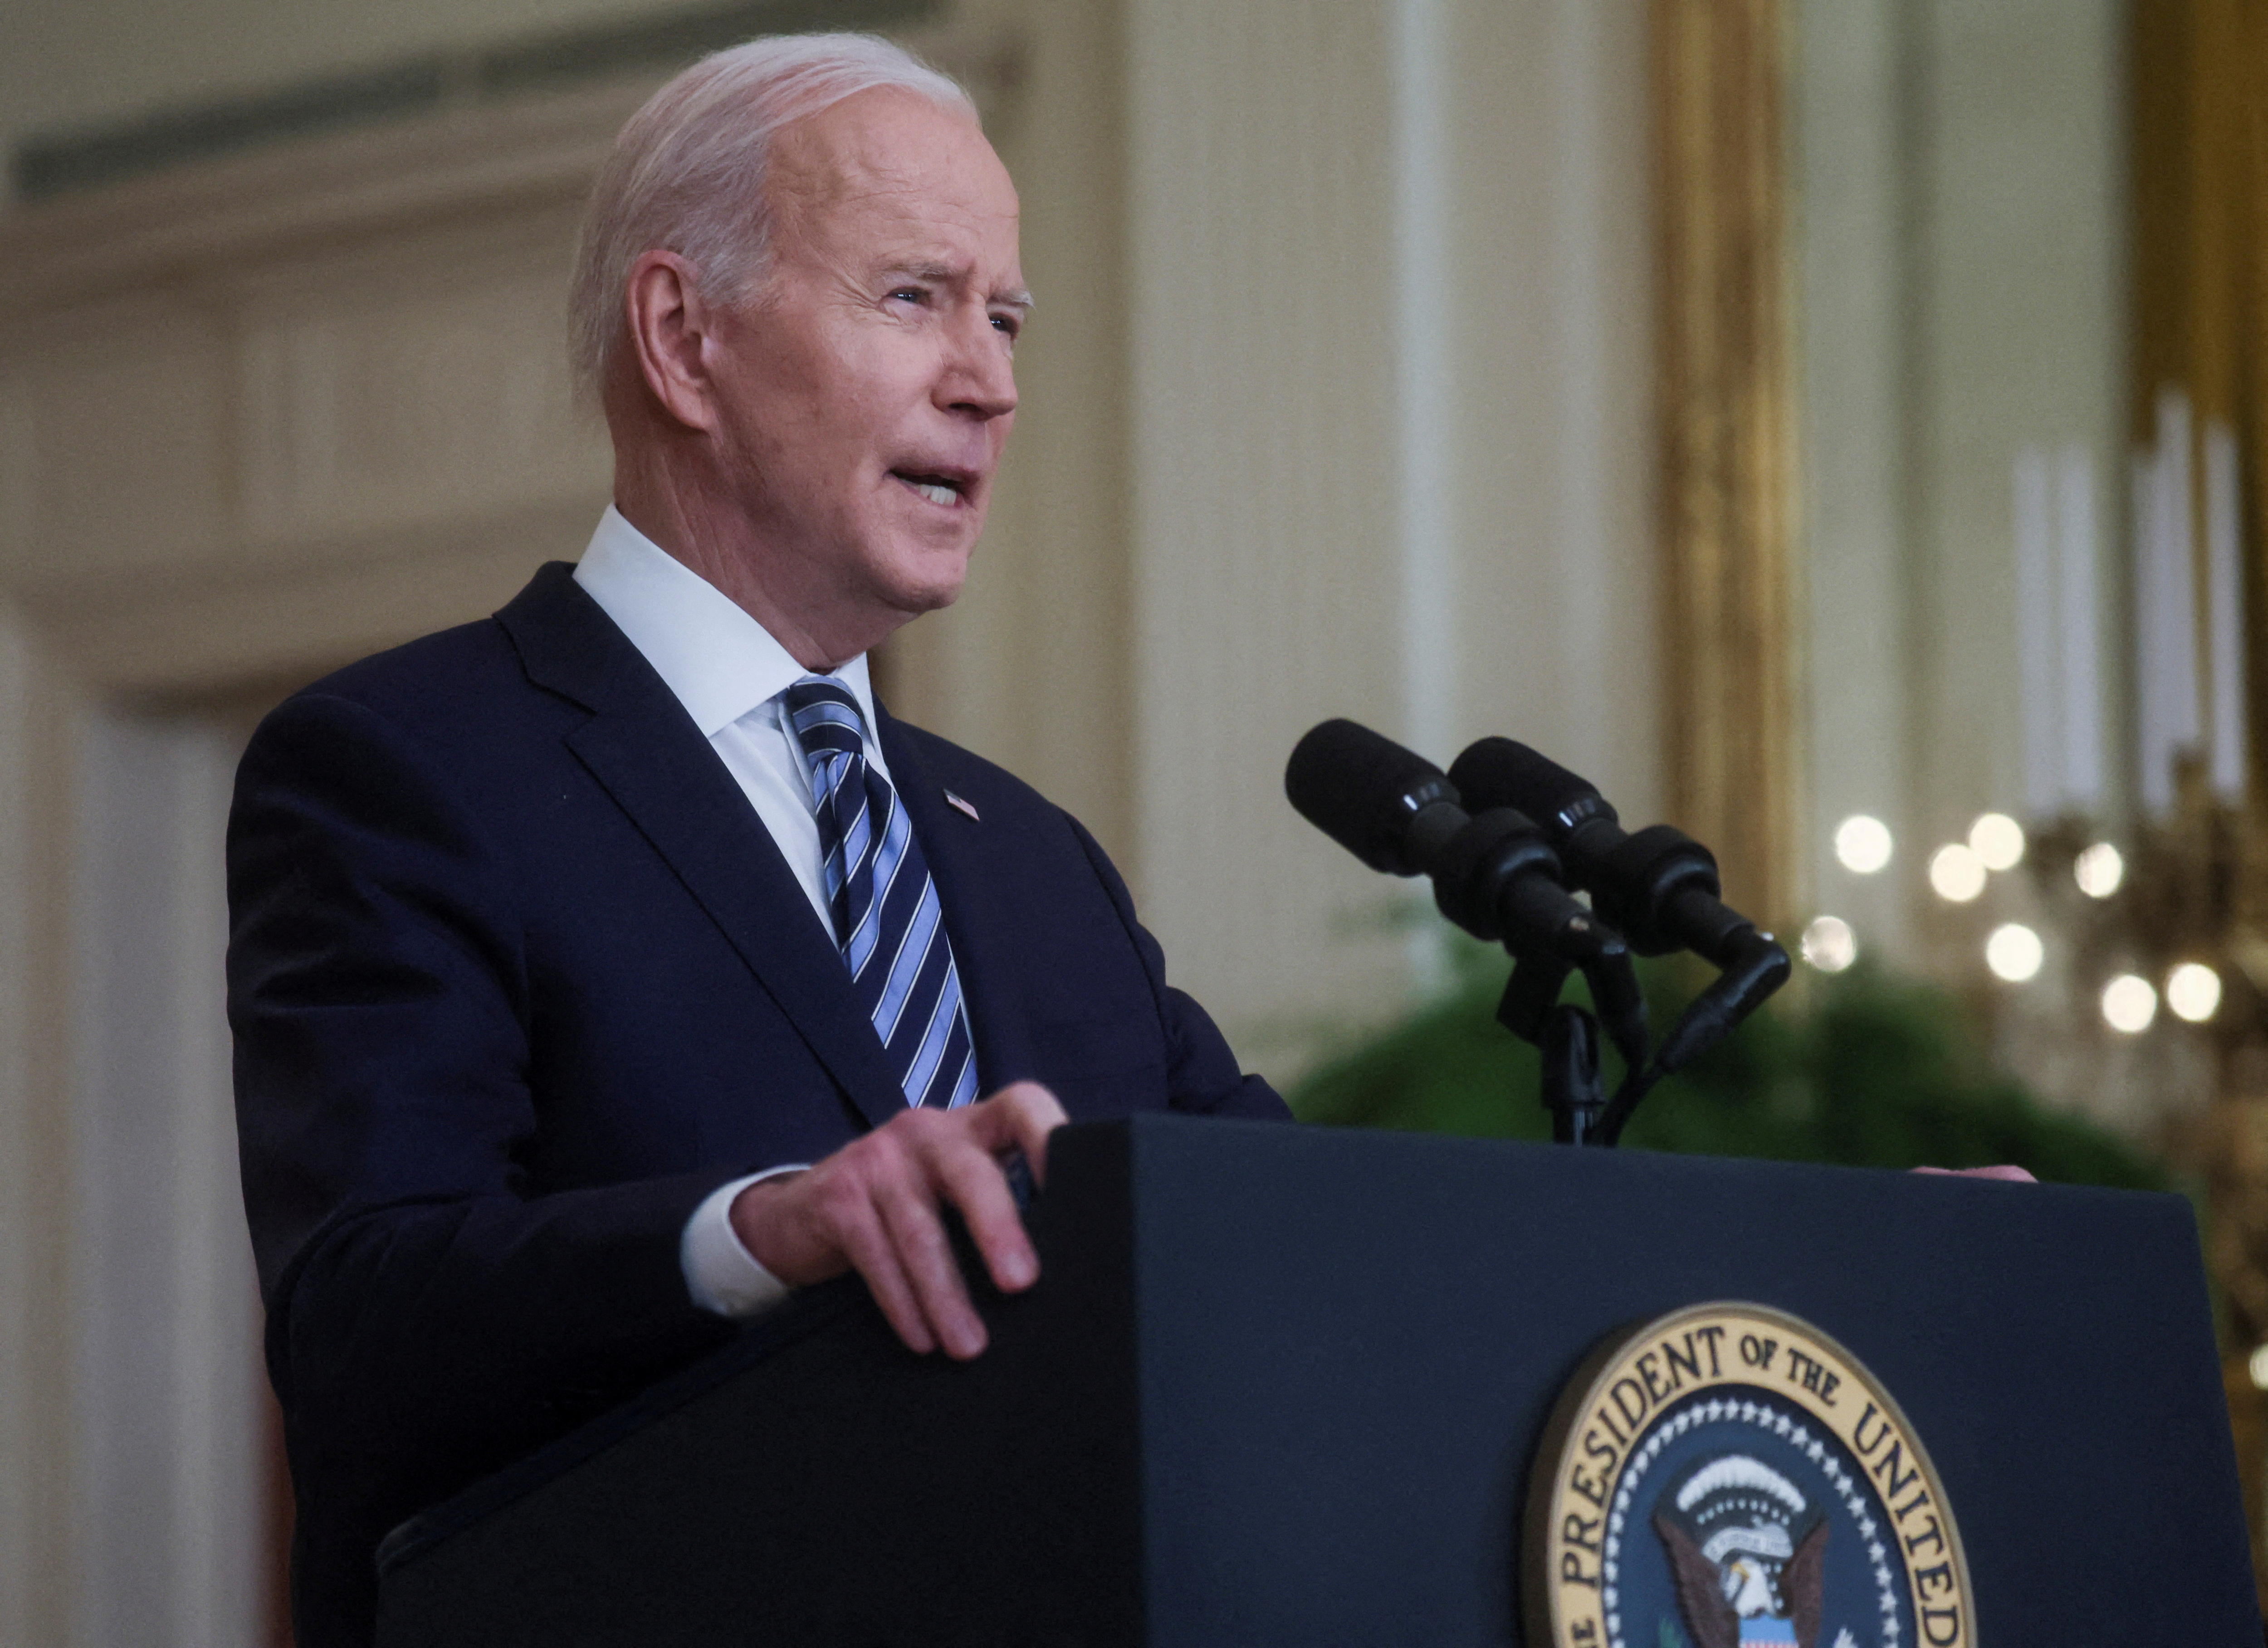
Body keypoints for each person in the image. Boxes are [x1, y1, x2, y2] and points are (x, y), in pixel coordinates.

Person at [226, 34, 1288, 1648]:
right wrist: (758, 1231)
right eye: (914, 298)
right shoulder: (404, 765)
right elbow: (364, 1327)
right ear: (685, 337)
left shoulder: (1033, 862)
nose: (990, 380)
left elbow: (1274, 1231)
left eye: (1005, 318)